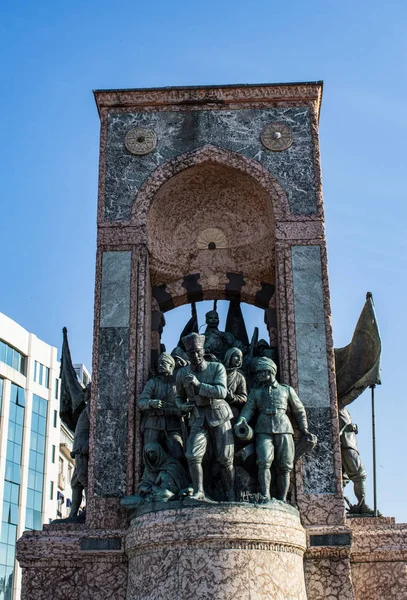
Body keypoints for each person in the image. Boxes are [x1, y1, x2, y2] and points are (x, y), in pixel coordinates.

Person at [235, 357, 310, 503]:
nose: (257, 376)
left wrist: (304, 429)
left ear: (269, 371)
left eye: (259, 372)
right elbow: (248, 410)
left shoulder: (286, 390)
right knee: (263, 462)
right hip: (263, 429)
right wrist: (241, 421)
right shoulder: (256, 392)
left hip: (284, 428)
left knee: (285, 466)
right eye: (256, 373)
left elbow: (299, 410)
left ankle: (282, 499)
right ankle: (265, 495)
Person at [176, 332, 235, 501]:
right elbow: (178, 396)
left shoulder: (217, 368)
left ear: (203, 350)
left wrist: (198, 384)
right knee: (193, 454)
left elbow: (222, 392)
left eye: (198, 351)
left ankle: (230, 494)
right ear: (186, 354)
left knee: (225, 458)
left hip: (219, 414)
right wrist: (181, 405)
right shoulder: (181, 373)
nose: (195, 355)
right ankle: (199, 491)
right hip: (197, 416)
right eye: (191, 352)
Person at [138, 352, 183, 460]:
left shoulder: (178, 383)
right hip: (153, 423)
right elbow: (141, 402)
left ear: (171, 366)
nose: (160, 366)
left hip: (173, 424)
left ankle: (174, 476)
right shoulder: (152, 382)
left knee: (177, 453)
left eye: (163, 363)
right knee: (150, 454)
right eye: (159, 364)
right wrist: (151, 403)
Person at [339, 407, 373, 514]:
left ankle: (340, 506)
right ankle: (362, 505)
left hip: (349, 444)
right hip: (345, 445)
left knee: (343, 478)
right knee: (359, 474)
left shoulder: (343, 408)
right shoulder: (338, 403)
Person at [68, 383, 91, 521]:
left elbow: (97, 427)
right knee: (76, 483)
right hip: (78, 450)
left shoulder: (92, 407)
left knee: (85, 479)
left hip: (83, 450)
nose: (85, 393)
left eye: (87, 391)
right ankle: (73, 514)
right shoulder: (87, 407)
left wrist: (88, 446)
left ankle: (90, 510)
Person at [223, 347, 247, 421]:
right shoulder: (218, 371)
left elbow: (244, 397)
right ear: (229, 356)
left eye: (241, 357)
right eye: (236, 356)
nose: (239, 359)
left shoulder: (240, 377)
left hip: (231, 411)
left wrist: (232, 398)